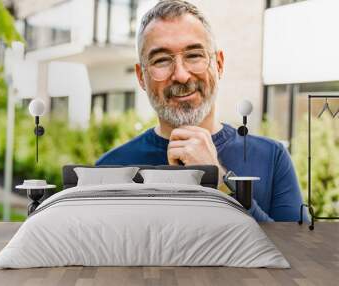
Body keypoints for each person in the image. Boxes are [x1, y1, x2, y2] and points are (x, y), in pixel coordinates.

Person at [96, 0, 306, 222]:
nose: (181, 75)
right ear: (141, 77)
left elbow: (296, 254)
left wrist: (219, 181)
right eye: (161, 60)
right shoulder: (108, 170)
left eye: (194, 55)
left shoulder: (272, 158)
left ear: (219, 64)